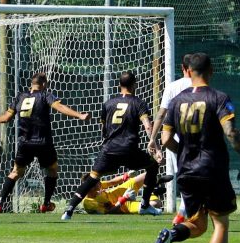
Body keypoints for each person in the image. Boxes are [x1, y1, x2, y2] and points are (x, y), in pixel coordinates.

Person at [150, 53, 240, 243]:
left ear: (187, 71)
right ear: (211, 71)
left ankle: (171, 235)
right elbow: (231, 133)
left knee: (198, 225)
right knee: (220, 223)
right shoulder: (218, 97)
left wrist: (185, 152)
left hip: (187, 170)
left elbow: (166, 138)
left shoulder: (177, 100)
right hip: (212, 169)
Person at [61, 71, 161, 220]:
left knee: (93, 178)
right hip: (129, 149)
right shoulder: (138, 103)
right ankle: (145, 205)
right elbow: (147, 126)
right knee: (152, 166)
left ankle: (69, 210)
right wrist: (154, 145)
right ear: (135, 84)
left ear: (119, 85)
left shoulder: (108, 103)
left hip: (109, 149)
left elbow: (103, 129)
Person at [0, 72, 90, 213]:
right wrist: (79, 115)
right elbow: (60, 107)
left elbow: (6, 118)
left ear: (31, 84)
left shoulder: (20, 97)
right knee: (52, 170)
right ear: (44, 84)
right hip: (43, 142)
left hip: (24, 143)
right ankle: (46, 203)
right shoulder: (45, 95)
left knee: (15, 172)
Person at [148, 54, 192, 225]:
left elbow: (161, 114)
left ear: (183, 68)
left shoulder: (173, 86)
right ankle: (187, 210)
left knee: (184, 173)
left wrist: (153, 138)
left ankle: (185, 209)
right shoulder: (203, 87)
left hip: (177, 138)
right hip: (200, 137)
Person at [82, 171, 166, 214]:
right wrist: (124, 198)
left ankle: (152, 187)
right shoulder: (89, 203)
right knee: (156, 204)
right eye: (97, 183)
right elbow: (110, 212)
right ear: (90, 187)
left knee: (149, 174)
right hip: (121, 205)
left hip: (117, 192)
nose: (100, 184)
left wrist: (125, 176)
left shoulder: (96, 185)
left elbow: (111, 182)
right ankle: (152, 193)